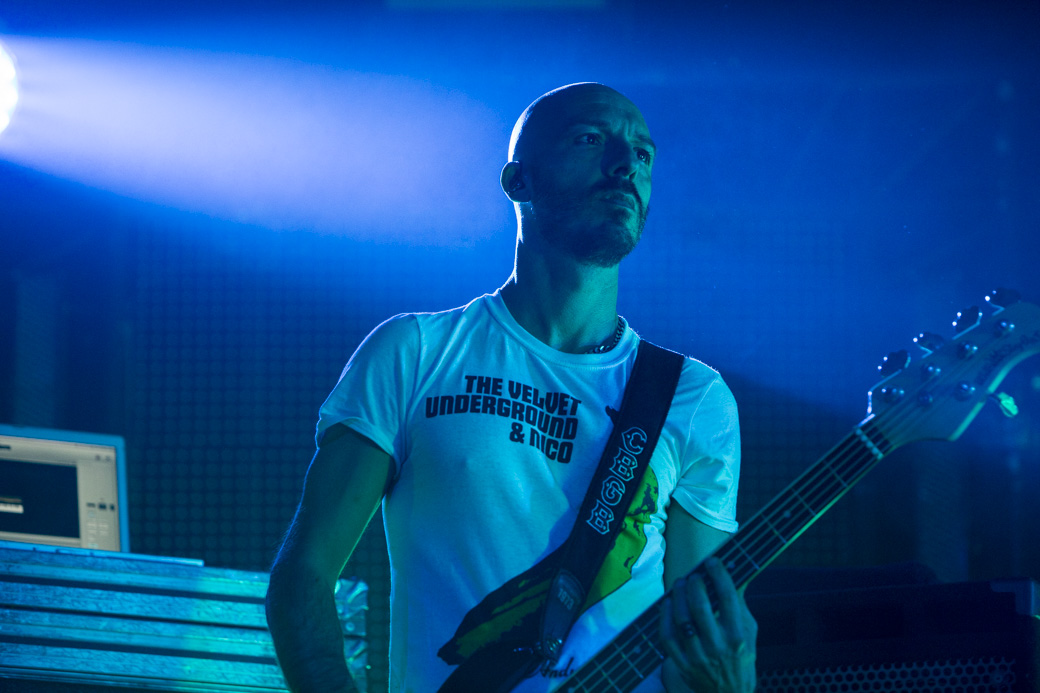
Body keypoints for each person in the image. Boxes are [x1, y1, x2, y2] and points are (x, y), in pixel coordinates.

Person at [265, 82, 757, 693]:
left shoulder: (692, 397)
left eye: (643, 153)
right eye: (590, 139)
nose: (625, 164)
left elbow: (703, 642)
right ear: (517, 180)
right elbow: (303, 580)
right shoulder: (414, 353)